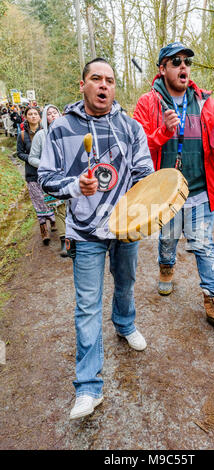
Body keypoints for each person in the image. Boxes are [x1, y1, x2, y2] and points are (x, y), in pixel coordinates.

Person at [38, 57, 154, 420]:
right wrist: (75, 185)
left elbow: (144, 175)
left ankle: (125, 323)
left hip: (125, 229)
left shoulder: (131, 128)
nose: (104, 86)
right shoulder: (60, 130)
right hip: (85, 232)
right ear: (83, 84)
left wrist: (148, 202)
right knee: (87, 306)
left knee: (126, 284)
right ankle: (88, 388)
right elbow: (45, 178)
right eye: (96, 79)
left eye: (110, 80)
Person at [133, 42, 214, 333]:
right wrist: (163, 131)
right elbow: (136, 144)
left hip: (199, 190)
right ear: (162, 69)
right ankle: (166, 266)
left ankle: (213, 299)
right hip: (163, 192)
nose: (183, 66)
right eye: (176, 61)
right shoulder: (147, 103)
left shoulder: (205, 101)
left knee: (203, 245)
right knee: (168, 240)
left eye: (187, 62)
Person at [28, 104, 67, 257]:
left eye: (54, 112)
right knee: (58, 208)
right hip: (51, 177)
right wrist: (46, 165)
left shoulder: (67, 132)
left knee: (71, 208)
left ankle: (76, 237)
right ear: (45, 118)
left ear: (59, 114)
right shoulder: (41, 136)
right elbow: (32, 158)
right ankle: (65, 241)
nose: (52, 115)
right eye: (49, 114)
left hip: (68, 175)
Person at [17, 106, 57, 244]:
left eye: (35, 114)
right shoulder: (22, 135)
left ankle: (53, 219)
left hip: (47, 172)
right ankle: (43, 229)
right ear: (26, 117)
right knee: (37, 201)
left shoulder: (46, 131)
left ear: (40, 117)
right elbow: (19, 153)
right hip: (32, 173)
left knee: (49, 198)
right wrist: (32, 159)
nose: (33, 116)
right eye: (30, 114)